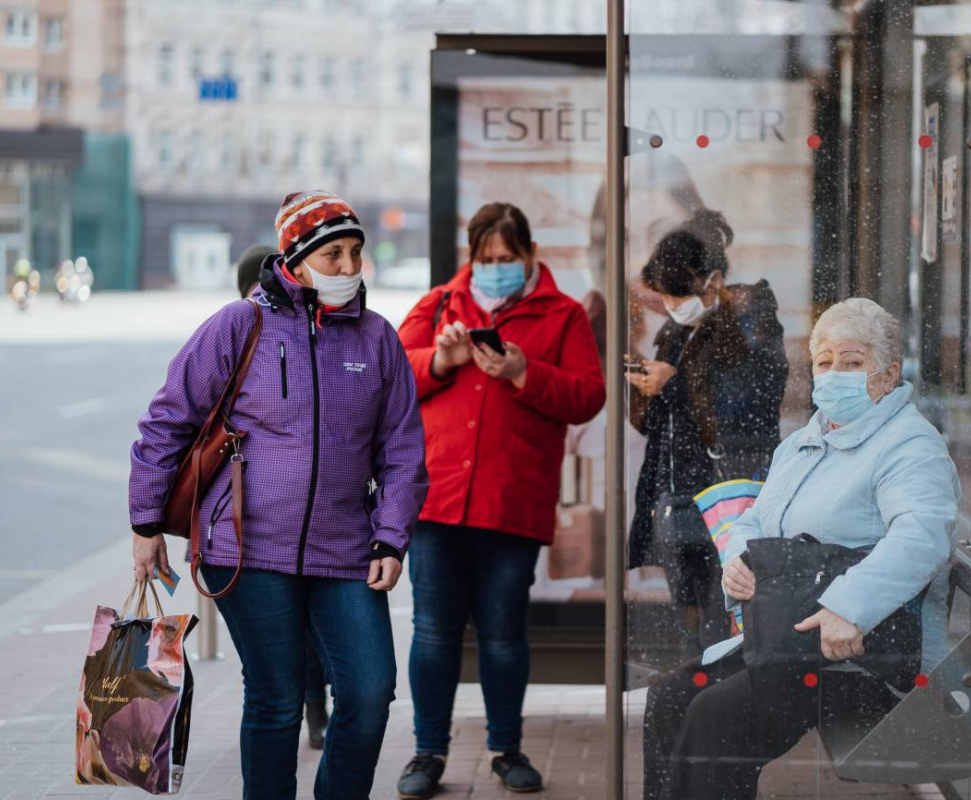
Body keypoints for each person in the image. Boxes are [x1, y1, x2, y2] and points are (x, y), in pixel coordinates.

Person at [129, 190, 429, 800]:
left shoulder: (377, 340)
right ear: (296, 258)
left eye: (355, 253)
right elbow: (167, 420)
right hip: (245, 549)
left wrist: (391, 536)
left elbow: (403, 450)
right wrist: (145, 524)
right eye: (334, 254)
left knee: (370, 692)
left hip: (346, 550)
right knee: (275, 699)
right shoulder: (241, 324)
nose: (350, 267)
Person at [642, 297, 961, 800]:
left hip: (857, 654)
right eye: (825, 362)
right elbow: (754, 518)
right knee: (670, 696)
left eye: (853, 362)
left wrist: (848, 608)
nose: (835, 374)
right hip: (787, 638)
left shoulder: (909, 445)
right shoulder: (805, 442)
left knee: (714, 717)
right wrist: (738, 561)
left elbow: (920, 535)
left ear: (888, 374)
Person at [394, 202, 604, 799]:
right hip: (436, 502)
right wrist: (442, 358)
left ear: (531, 256)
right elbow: (389, 377)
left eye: (506, 259)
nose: (494, 269)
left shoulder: (563, 315)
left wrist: (523, 372)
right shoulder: (438, 305)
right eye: (485, 259)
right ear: (471, 257)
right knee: (433, 633)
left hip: (512, 502)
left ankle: (505, 748)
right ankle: (427, 752)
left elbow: (588, 396)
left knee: (504, 634)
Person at [627, 210, 788, 659]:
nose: (672, 306)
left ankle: (718, 694)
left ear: (712, 280)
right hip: (677, 490)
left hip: (728, 488)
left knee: (729, 607)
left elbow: (746, 407)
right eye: (665, 298)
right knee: (690, 612)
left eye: (678, 295)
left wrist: (672, 383)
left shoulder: (751, 320)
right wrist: (646, 386)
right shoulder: (678, 330)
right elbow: (653, 421)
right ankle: (696, 687)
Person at [234, 242, 332, 751]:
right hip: (259, 536)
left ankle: (308, 711)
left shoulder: (344, 327)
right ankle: (311, 711)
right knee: (283, 663)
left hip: (295, 532)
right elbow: (173, 419)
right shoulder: (240, 327)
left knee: (276, 669)